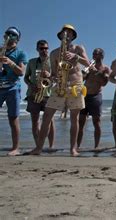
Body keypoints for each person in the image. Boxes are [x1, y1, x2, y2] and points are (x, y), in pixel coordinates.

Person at [29, 24, 89, 156]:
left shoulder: (78, 48)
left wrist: (76, 57)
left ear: (73, 36)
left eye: (69, 33)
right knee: (46, 117)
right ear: (60, 35)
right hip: (60, 86)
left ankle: (73, 149)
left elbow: (88, 64)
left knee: (75, 118)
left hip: (76, 86)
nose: (66, 34)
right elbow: (55, 74)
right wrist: (49, 76)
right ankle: (39, 148)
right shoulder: (54, 53)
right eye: (64, 32)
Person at [0, 27, 27, 156]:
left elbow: (21, 72)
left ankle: (15, 148)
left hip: (12, 88)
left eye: (13, 35)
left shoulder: (21, 53)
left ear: (18, 38)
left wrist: (10, 62)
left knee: (13, 118)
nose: (10, 36)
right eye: (8, 34)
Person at [77, 48, 110, 150]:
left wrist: (97, 72)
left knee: (96, 122)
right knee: (81, 122)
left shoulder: (105, 68)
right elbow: (82, 79)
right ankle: (77, 146)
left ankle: (96, 146)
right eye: (93, 53)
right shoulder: (89, 66)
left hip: (96, 96)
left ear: (102, 56)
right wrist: (85, 72)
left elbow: (104, 83)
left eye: (97, 54)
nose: (94, 55)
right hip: (85, 95)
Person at [24, 40, 54, 150]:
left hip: (48, 94)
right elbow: (26, 77)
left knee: (49, 121)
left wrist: (49, 75)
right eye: (41, 48)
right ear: (37, 49)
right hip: (33, 94)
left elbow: (58, 78)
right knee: (35, 121)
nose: (44, 50)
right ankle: (38, 146)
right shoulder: (32, 62)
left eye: (46, 48)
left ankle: (51, 146)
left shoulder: (53, 62)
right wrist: (30, 85)